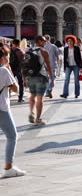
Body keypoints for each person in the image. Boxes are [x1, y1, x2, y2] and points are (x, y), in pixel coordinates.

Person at [0, 43, 26, 178]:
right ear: (3, 57)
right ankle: (8, 167)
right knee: (12, 136)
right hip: (2, 109)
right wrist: (9, 69)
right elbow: (15, 88)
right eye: (7, 55)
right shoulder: (3, 71)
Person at [23, 36, 55, 126]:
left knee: (32, 95)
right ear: (39, 42)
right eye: (44, 41)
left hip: (30, 77)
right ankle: (38, 119)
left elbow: (24, 66)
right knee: (40, 98)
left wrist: (24, 78)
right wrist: (52, 79)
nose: (45, 43)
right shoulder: (44, 52)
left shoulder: (28, 51)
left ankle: (31, 112)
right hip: (41, 77)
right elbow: (48, 66)